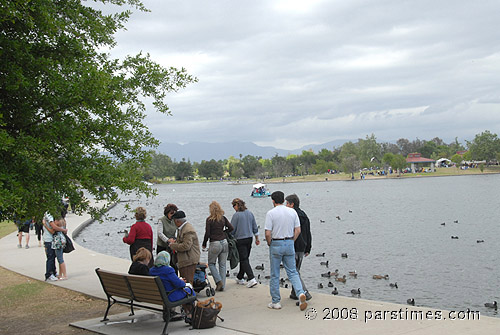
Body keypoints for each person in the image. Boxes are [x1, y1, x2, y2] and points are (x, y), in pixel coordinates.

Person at [264, 191, 307, 311]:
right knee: (293, 272)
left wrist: (269, 243)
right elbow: (298, 230)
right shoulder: (292, 212)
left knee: (275, 274)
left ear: (273, 201)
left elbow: (268, 233)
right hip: (289, 242)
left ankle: (276, 301)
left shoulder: (271, 213)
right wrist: (291, 241)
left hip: (276, 243)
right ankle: (300, 293)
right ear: (283, 200)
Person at [150, 251, 196, 322]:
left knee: (185, 293)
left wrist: (178, 280)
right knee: (190, 291)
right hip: (169, 296)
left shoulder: (151, 270)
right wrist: (182, 281)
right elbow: (180, 284)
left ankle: (187, 313)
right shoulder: (168, 270)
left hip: (157, 296)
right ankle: (191, 315)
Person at [285, 194, 312, 301]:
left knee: (294, 272)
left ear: (292, 204)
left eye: (287, 203)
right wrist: (308, 247)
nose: (285, 205)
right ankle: (294, 293)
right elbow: (308, 233)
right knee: (296, 270)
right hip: (303, 246)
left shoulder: (291, 215)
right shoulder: (304, 215)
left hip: (294, 245)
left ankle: (304, 292)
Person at [202, 201, 233, 292]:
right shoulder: (223, 218)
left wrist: (204, 243)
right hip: (224, 242)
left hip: (214, 243)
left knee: (211, 264)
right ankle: (222, 285)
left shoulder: (209, 220)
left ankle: (218, 281)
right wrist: (224, 232)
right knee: (222, 265)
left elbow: (207, 233)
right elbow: (231, 228)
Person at [230, 198, 260, 288]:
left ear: (237, 205)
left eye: (233, 206)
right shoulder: (250, 213)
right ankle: (240, 277)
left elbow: (232, 229)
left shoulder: (236, 216)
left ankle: (251, 278)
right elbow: (255, 227)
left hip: (240, 239)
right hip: (249, 238)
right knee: (245, 258)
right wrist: (257, 238)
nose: (233, 208)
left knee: (243, 259)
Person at [167, 211, 200, 285]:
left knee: (187, 282)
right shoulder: (182, 228)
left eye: (174, 221)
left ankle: (190, 295)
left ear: (177, 221)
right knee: (184, 281)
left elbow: (186, 246)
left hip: (188, 260)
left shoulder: (188, 230)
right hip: (185, 259)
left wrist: (173, 245)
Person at [42, 212, 67, 281]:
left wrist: (45, 225)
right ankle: (50, 274)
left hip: (54, 241)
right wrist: (64, 230)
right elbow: (53, 228)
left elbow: (53, 229)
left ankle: (53, 272)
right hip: (50, 240)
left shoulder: (52, 216)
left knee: (54, 257)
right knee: (52, 257)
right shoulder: (49, 215)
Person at [156, 203, 178, 273]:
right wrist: (167, 240)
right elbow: (160, 233)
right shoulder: (161, 220)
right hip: (162, 246)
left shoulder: (175, 221)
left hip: (172, 246)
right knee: (161, 266)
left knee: (174, 265)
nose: (172, 215)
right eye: (171, 213)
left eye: (174, 214)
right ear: (167, 213)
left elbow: (178, 231)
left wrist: (175, 240)